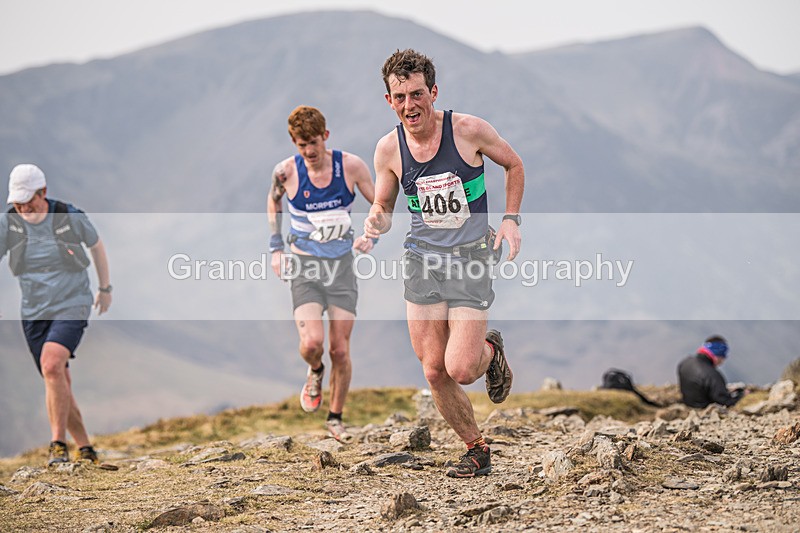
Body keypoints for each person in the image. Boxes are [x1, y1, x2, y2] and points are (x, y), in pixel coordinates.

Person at [364, 49, 525, 477]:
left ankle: (490, 354)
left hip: (471, 260)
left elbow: (513, 164)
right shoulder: (388, 149)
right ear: (389, 101)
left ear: (433, 92)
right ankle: (477, 448)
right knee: (434, 370)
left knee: (460, 367)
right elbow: (384, 202)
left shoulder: (468, 130)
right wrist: (375, 221)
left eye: (417, 94)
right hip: (422, 261)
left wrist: (510, 220)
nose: (409, 106)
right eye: (399, 97)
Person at [268, 106, 376, 442]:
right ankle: (315, 371)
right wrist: (276, 247)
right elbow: (274, 202)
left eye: (313, 142)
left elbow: (380, 204)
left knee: (340, 350)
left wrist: (371, 234)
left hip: (341, 266)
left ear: (325, 137)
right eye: (301, 145)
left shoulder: (351, 167)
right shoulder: (286, 172)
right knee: (312, 343)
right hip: (305, 267)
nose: (309, 151)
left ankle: (335, 417)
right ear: (293, 142)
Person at [0, 163, 112, 466]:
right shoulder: (8, 224)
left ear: (44, 192)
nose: (24, 208)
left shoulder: (69, 216)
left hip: (72, 302)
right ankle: (86, 447)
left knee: (51, 365)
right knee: (57, 378)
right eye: (18, 203)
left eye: (29, 201)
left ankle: (57, 445)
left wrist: (105, 288)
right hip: (34, 311)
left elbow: (96, 246)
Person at [677, 335, 746, 408]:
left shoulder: (685, 362)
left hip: (688, 404)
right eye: (723, 355)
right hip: (703, 409)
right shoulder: (712, 375)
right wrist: (741, 396)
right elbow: (724, 401)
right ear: (719, 354)